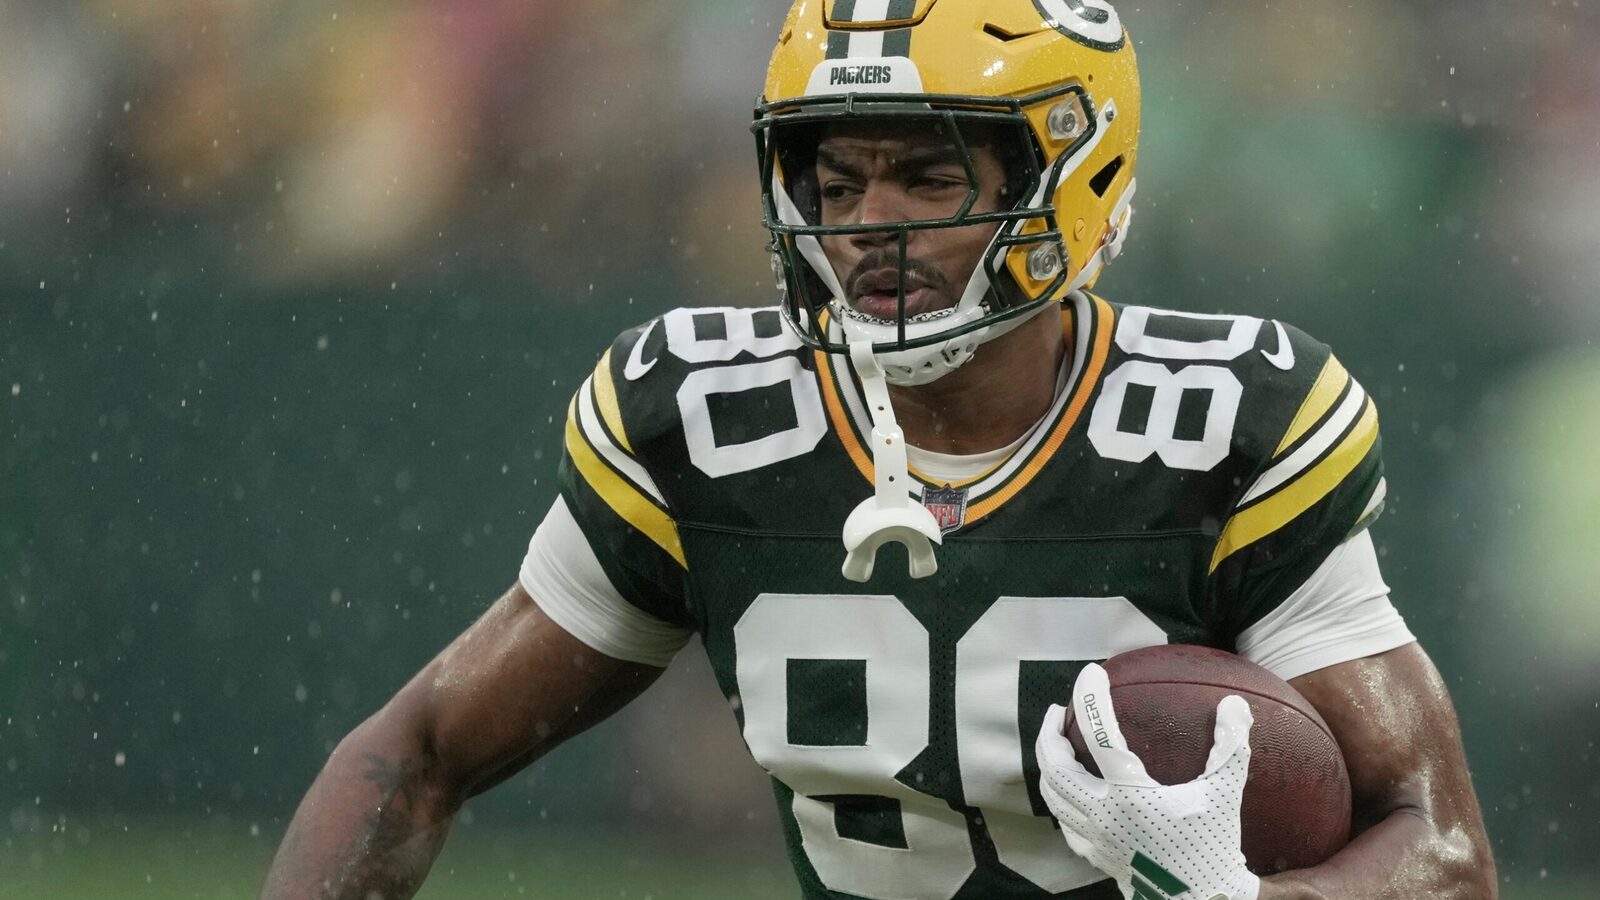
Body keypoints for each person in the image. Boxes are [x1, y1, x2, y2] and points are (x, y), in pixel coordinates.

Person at [260, 2, 1497, 898]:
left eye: (925, 178)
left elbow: (1442, 853)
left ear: (1071, 170)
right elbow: (413, 755)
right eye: (837, 182)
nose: (867, 226)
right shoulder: (706, 419)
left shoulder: (1219, 427)